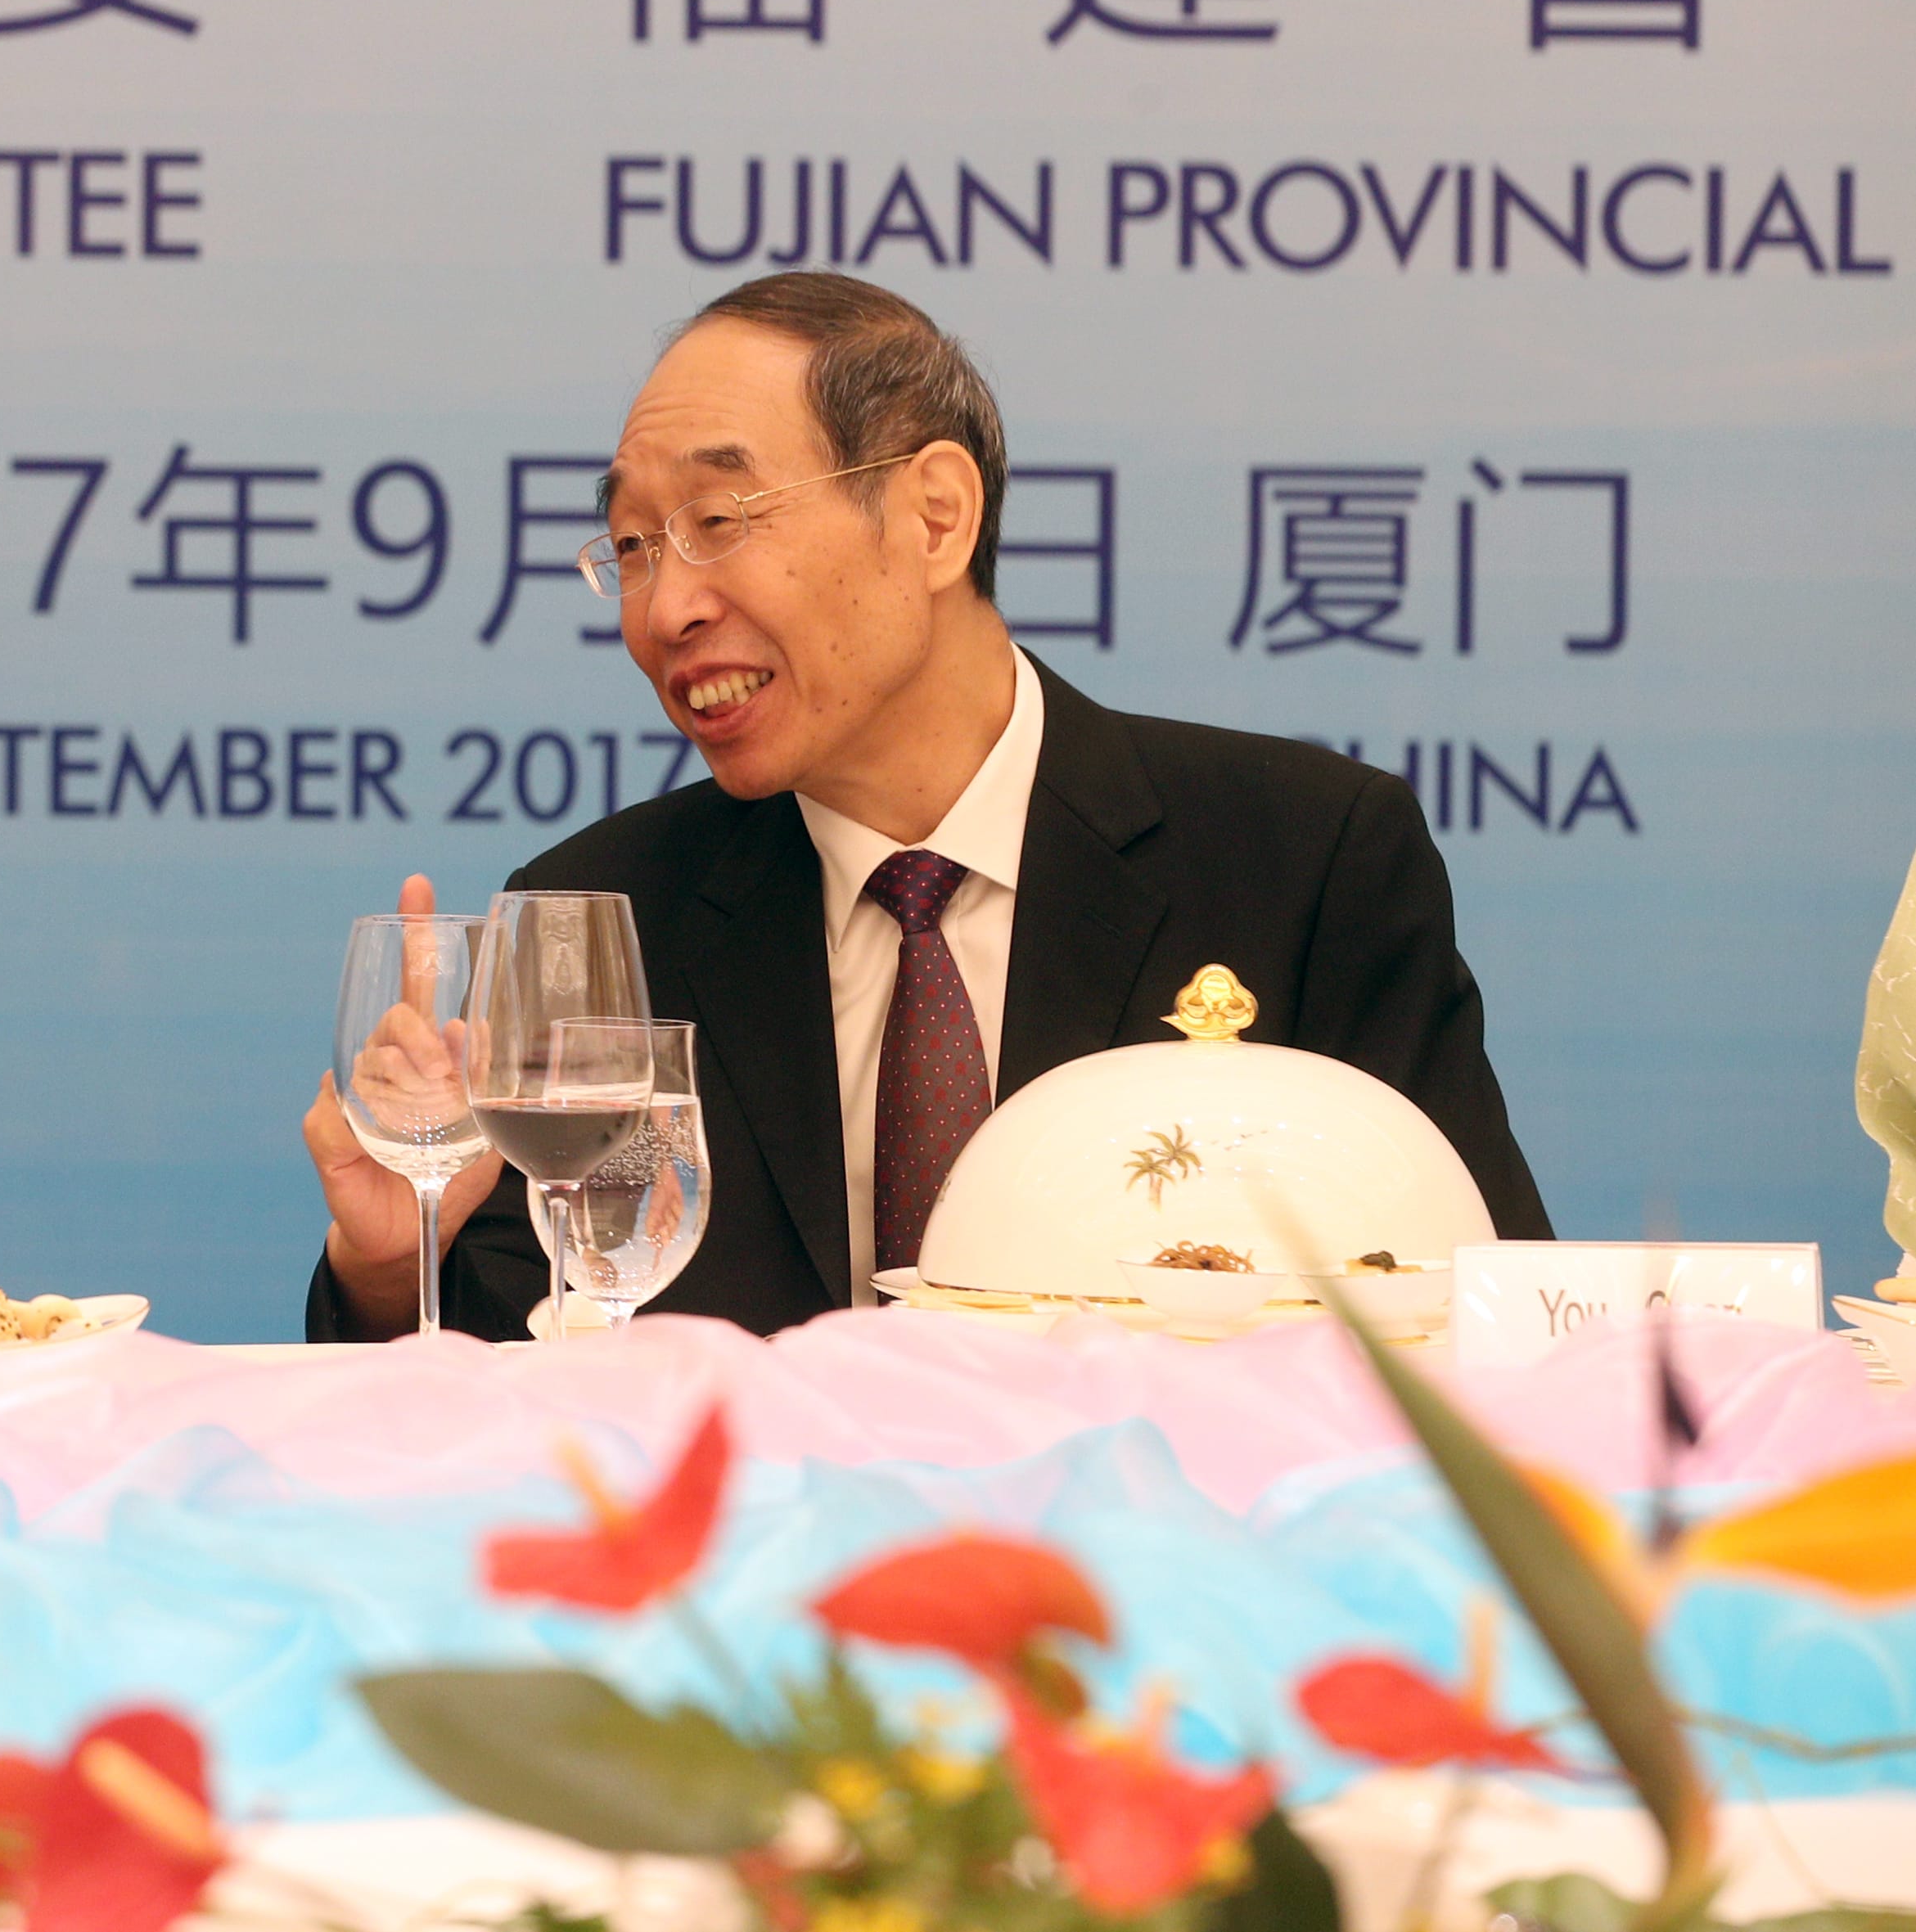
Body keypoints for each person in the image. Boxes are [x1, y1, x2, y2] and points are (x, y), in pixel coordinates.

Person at [301, 272, 1548, 1340]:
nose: (660, 608)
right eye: (629, 545)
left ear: (933, 516)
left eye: (715, 521)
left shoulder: (1303, 860)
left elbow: (1477, 1311)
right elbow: (528, 1392)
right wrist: (385, 1255)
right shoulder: (616, 922)